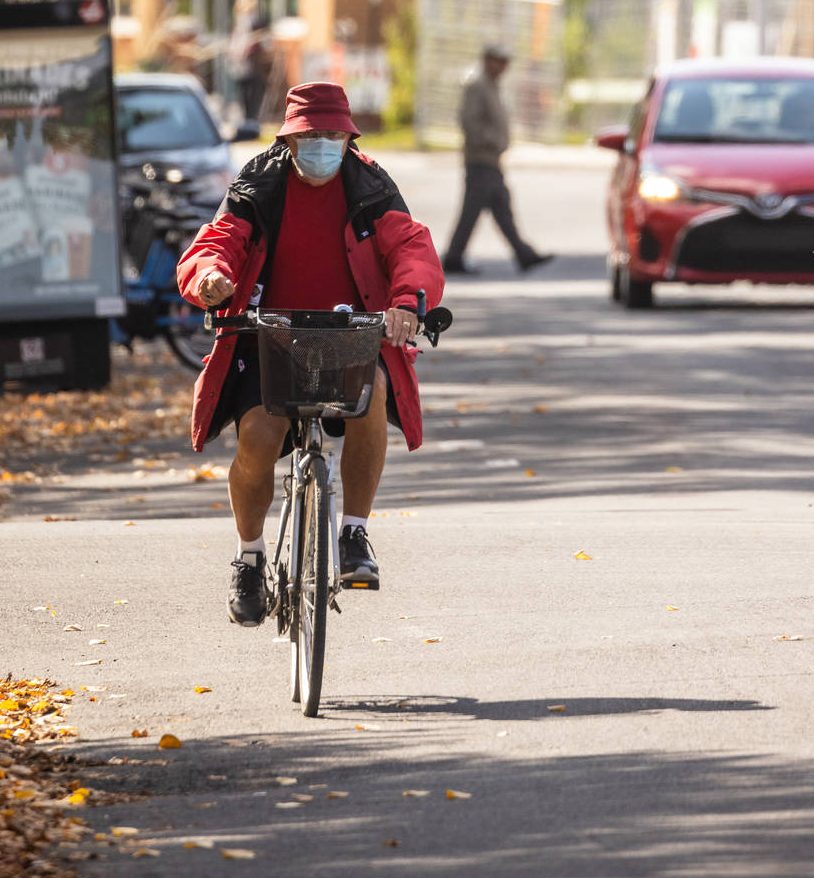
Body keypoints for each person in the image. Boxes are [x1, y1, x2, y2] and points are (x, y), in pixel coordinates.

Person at [176, 80, 444, 629]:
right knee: (258, 436)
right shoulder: (260, 183)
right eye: (310, 135)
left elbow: (411, 247)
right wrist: (210, 275)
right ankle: (249, 559)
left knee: (371, 404)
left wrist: (406, 303)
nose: (322, 145)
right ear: (289, 141)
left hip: (348, 334)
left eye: (332, 135)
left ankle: (353, 533)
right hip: (264, 333)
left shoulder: (370, 184)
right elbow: (218, 239)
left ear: (348, 139)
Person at [440, 43, 554, 277]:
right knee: (473, 210)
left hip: (491, 160)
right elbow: (469, 122)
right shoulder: (477, 87)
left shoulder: (491, 87)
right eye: (499, 61)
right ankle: (454, 256)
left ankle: (523, 254)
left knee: (501, 208)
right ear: (488, 60)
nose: (504, 67)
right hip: (480, 159)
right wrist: (491, 140)